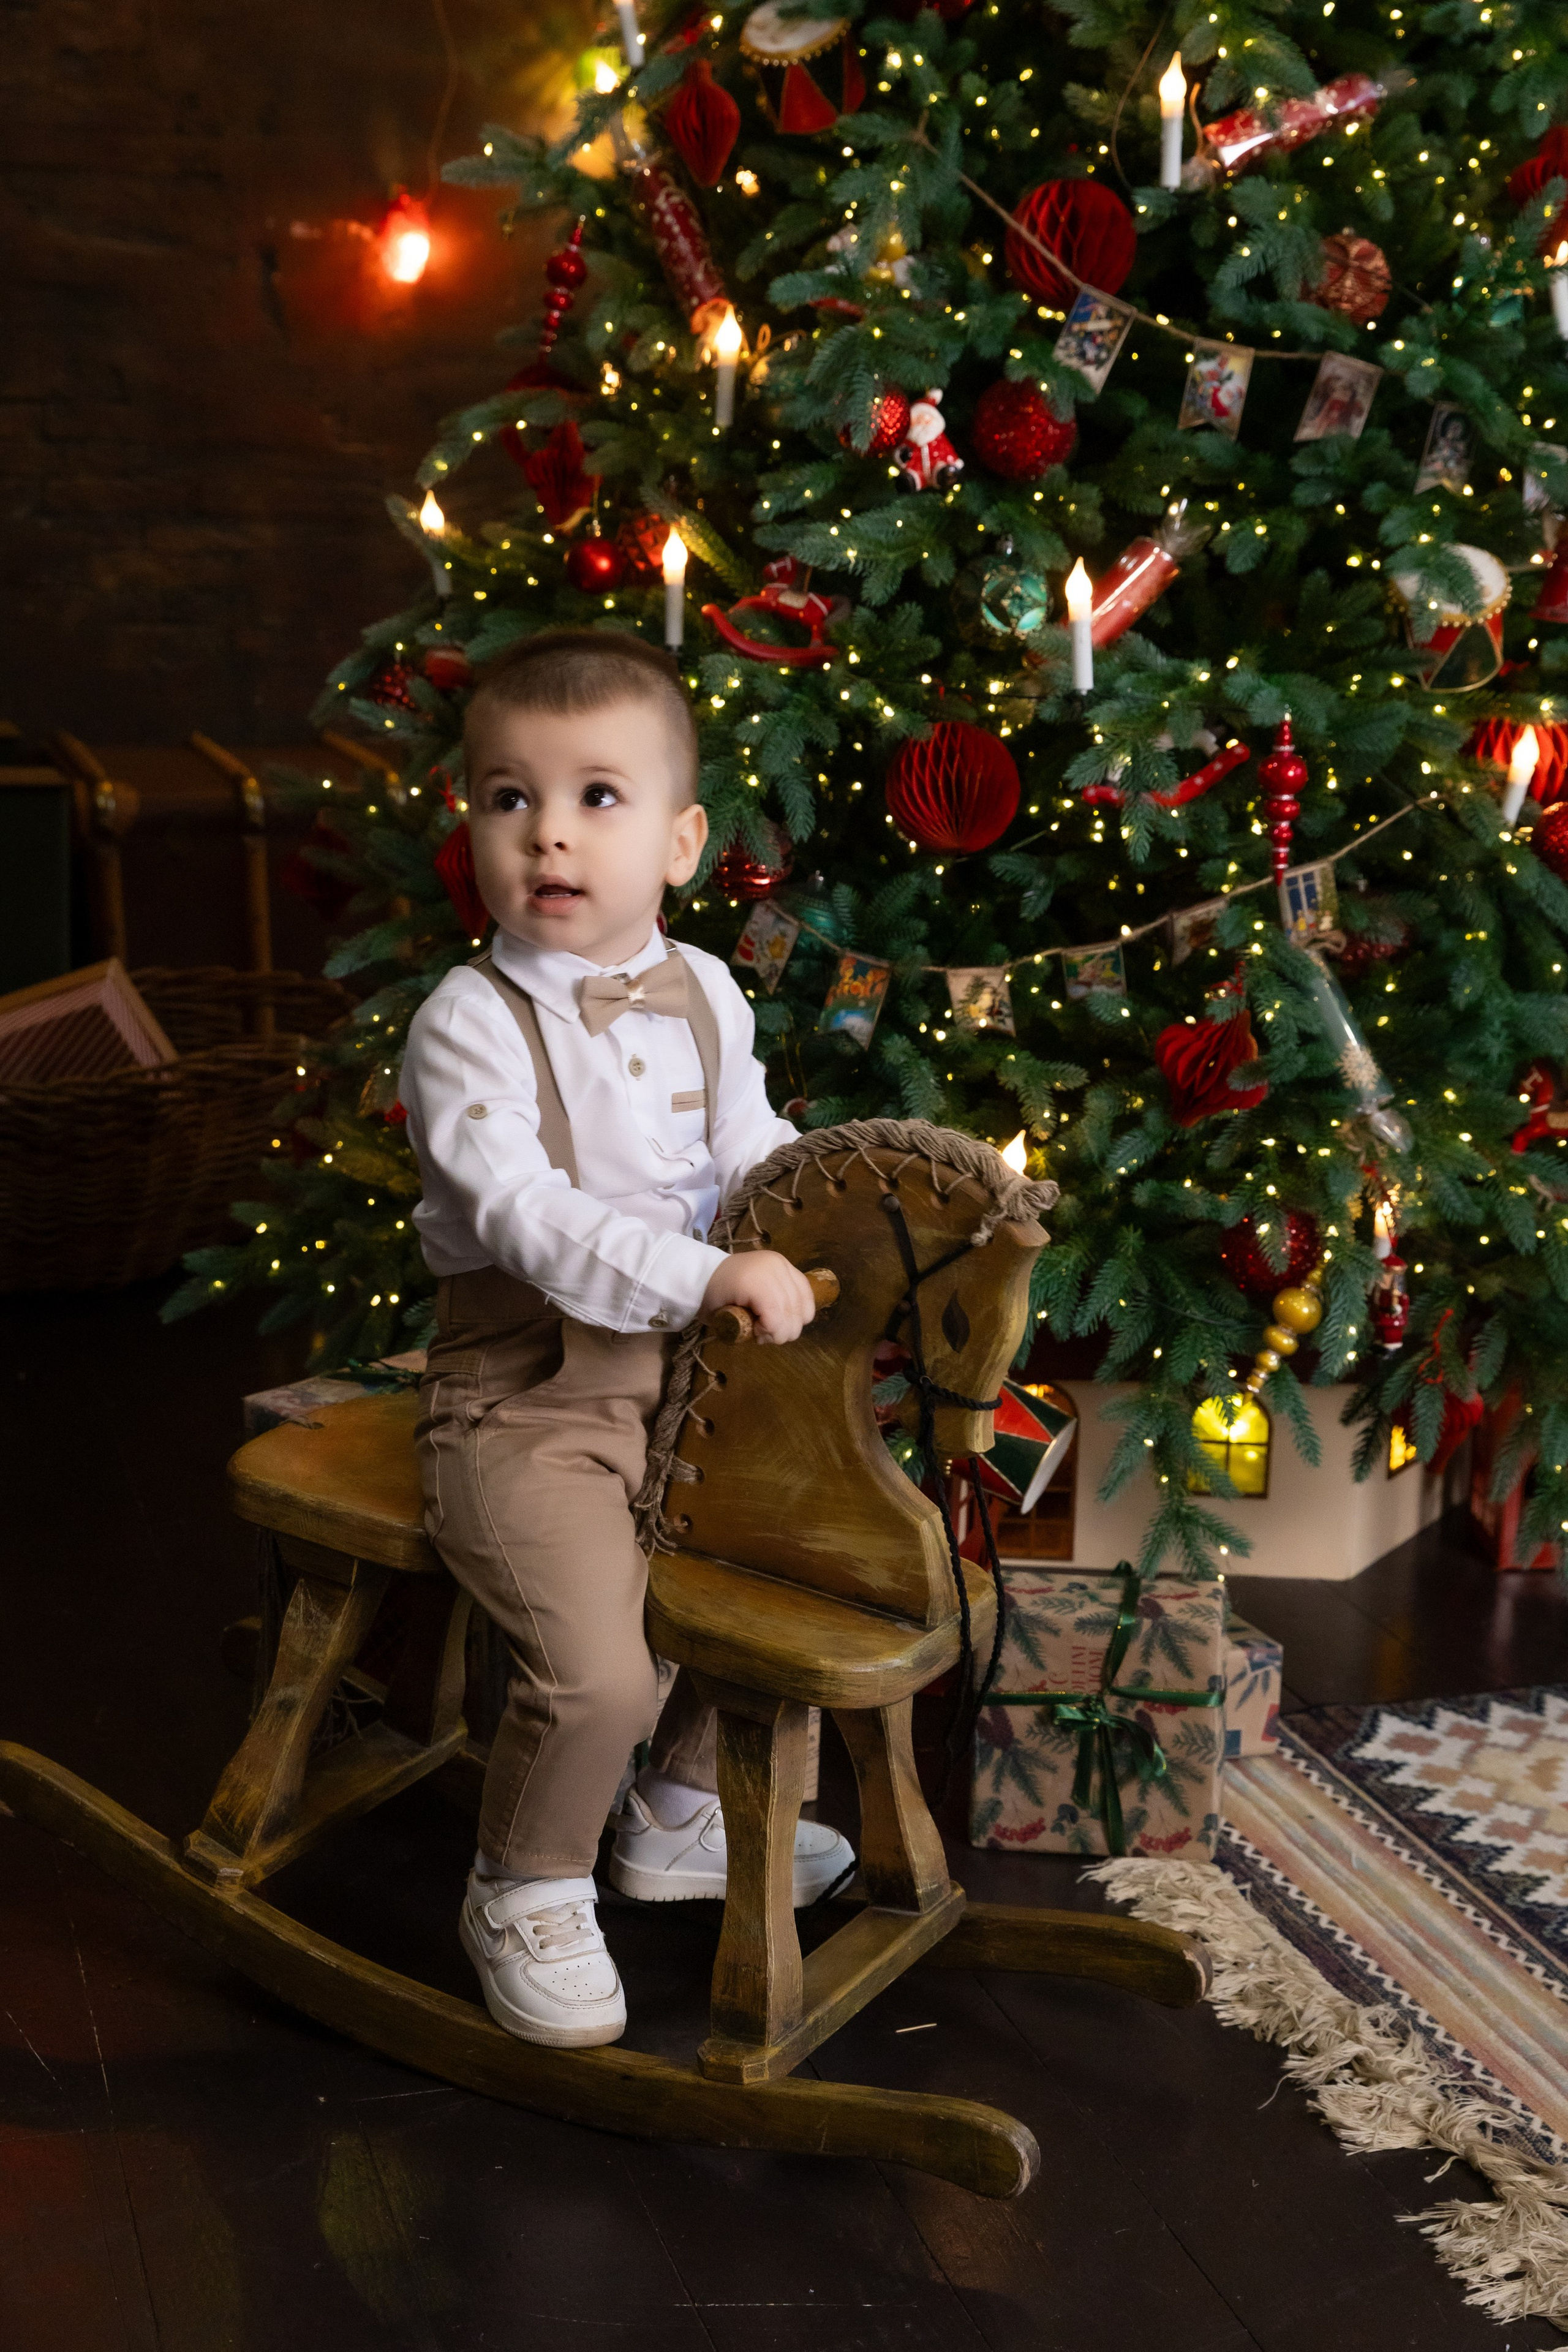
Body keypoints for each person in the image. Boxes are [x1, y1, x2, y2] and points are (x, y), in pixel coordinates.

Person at [401, 629, 854, 2052]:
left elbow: (753, 1150)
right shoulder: (465, 1025)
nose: (546, 832)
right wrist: (710, 1271)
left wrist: (822, 1218)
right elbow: (529, 1219)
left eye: (597, 796)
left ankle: (672, 1811)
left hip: (694, 1380)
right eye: (505, 795)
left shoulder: (708, 991)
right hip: (524, 1392)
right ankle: (521, 1881)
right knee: (592, 1663)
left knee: (795, 1559)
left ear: (680, 840)